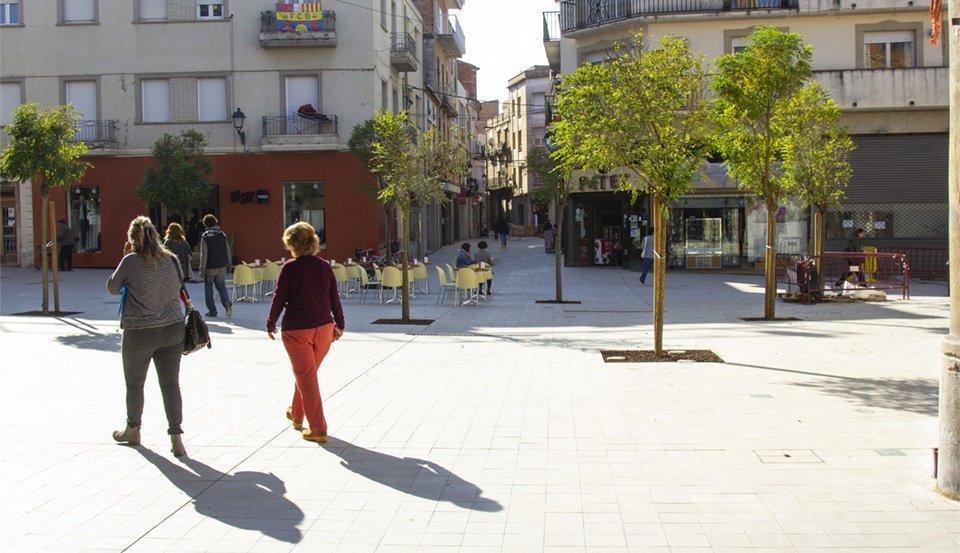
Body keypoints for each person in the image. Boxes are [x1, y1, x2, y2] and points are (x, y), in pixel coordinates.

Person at [107, 216, 187, 457]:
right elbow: (180, 284)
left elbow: (112, 287)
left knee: (135, 384)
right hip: (173, 329)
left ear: (132, 240)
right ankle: (176, 438)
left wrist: (124, 258)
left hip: (140, 332)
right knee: (171, 384)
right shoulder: (171, 259)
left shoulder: (130, 261)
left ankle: (133, 429)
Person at [267, 222, 344, 444]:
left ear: (292, 245)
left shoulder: (289, 268)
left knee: (307, 378)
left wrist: (271, 322)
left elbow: (279, 297)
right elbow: (334, 297)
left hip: (297, 330)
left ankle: (318, 428)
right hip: (324, 329)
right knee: (307, 374)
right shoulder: (323, 266)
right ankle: (297, 413)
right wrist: (340, 324)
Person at [199, 214, 233, 318]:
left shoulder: (205, 236)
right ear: (216, 222)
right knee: (222, 287)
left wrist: (202, 269)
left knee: (209, 290)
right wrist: (229, 264)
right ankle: (227, 305)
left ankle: (212, 311)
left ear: (205, 224)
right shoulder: (222, 235)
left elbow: (204, 254)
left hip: (209, 268)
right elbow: (227, 251)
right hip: (221, 267)